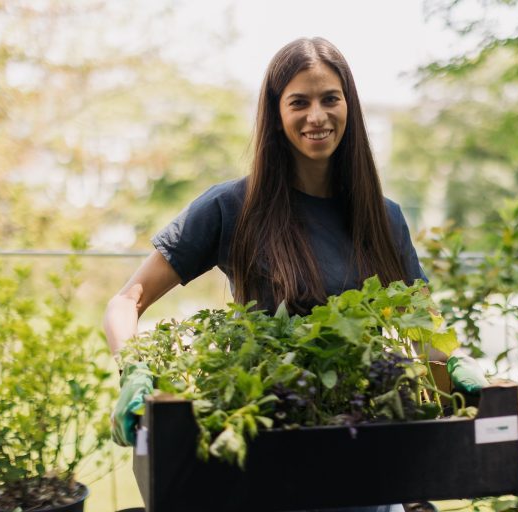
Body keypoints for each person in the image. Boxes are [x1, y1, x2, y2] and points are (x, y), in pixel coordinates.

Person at [104, 37, 430, 512]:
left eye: (330, 99)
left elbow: (425, 333)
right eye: (299, 102)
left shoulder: (383, 217)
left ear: (349, 107)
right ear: (277, 114)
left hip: (362, 457)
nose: (316, 116)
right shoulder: (233, 206)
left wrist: (459, 378)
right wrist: (132, 369)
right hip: (267, 454)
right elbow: (126, 300)